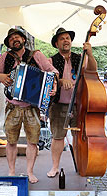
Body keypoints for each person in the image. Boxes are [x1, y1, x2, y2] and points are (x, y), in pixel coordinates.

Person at [0, 28, 58, 183]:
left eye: (17, 37)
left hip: (31, 107)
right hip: (12, 106)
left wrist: (53, 84)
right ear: (8, 43)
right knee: (11, 141)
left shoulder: (36, 55)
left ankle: (29, 172)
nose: (15, 40)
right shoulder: (6, 57)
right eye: (11, 38)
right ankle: (11, 171)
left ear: (23, 40)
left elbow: (52, 70)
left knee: (32, 141)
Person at [47, 27, 97, 177]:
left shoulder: (80, 57)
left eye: (67, 38)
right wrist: (60, 81)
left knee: (79, 136)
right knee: (58, 136)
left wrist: (90, 53)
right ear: (57, 44)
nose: (66, 40)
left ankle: (81, 164)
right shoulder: (51, 60)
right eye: (62, 39)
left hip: (79, 104)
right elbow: (48, 81)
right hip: (59, 105)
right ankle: (55, 167)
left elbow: (93, 70)